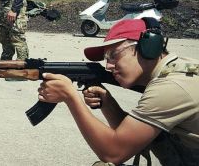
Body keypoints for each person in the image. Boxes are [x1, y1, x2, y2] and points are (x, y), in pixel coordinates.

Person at [38, 18, 199, 165]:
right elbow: (130, 137)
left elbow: (113, 153)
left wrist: (70, 96)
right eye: (106, 59)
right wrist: (108, 104)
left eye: (113, 55)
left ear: (147, 47)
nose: (108, 65)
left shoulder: (170, 88)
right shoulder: (179, 71)